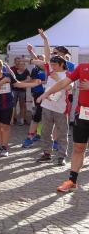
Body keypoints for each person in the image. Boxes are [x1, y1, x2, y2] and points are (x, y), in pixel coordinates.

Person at [38, 54, 89, 192]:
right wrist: (46, 93)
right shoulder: (83, 67)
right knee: (78, 148)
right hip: (82, 113)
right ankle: (72, 181)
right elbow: (63, 83)